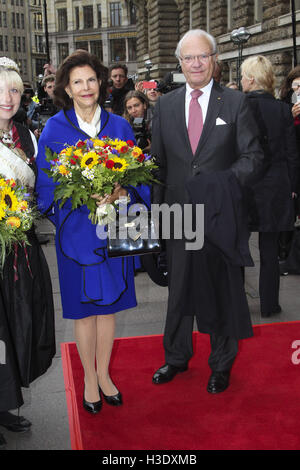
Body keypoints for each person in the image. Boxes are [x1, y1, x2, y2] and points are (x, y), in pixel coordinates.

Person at [151, 29, 264, 394]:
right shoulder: (164, 107)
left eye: (203, 56)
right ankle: (176, 357)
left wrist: (222, 185)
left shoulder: (235, 103)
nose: (196, 63)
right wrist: (156, 219)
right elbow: (159, 167)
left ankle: (221, 364)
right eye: (189, 58)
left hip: (221, 215)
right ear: (180, 63)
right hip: (179, 214)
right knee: (179, 288)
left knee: (221, 289)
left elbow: (254, 157)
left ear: (214, 60)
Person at [35, 50, 143, 414]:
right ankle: (89, 379)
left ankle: (105, 373)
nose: (86, 87)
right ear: (66, 87)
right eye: (77, 81)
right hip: (76, 234)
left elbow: (137, 178)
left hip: (114, 228)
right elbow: (46, 189)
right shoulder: (55, 129)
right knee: (84, 311)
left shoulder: (119, 127)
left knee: (109, 308)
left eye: (91, 80)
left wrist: (121, 192)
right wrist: (83, 199)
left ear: (101, 83)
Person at [0, 57, 55, 443]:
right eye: (0, 90)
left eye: (15, 89)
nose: (8, 98)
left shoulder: (26, 135)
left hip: (21, 250)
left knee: (18, 327)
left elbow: (42, 191)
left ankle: (4, 403)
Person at [240, 55, 299, 317]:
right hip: (275, 186)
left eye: (242, 76)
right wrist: (293, 187)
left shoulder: (236, 106)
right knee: (269, 249)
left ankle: (236, 303)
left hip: (242, 185)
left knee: (237, 246)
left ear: (251, 79)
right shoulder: (283, 109)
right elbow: (291, 154)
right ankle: (269, 305)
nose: (240, 80)